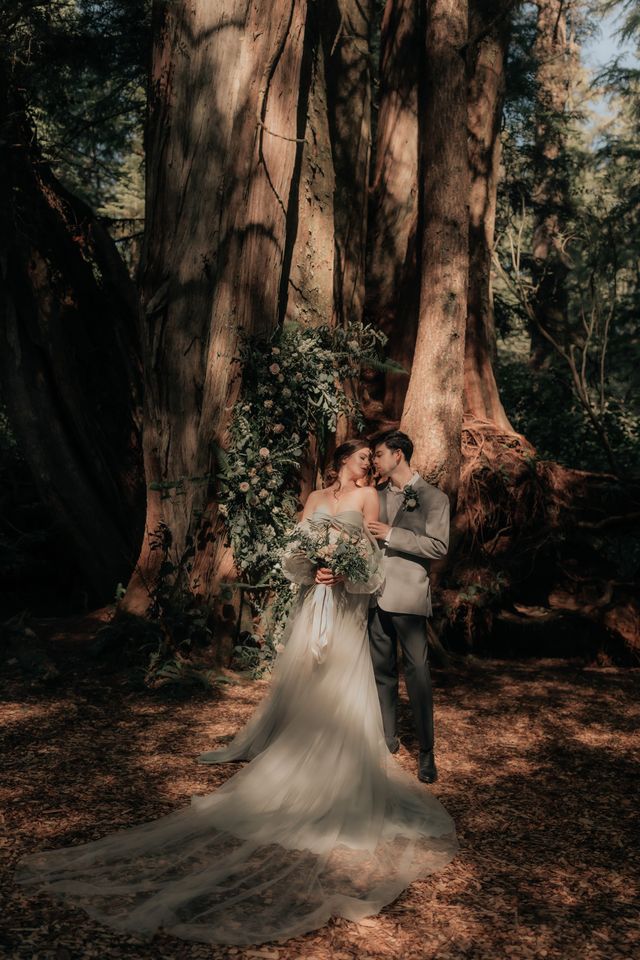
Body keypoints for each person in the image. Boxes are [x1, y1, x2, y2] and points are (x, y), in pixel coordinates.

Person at [15, 439, 457, 946]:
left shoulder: (371, 500)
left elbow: (371, 562)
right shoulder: (314, 499)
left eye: (371, 459)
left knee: (348, 679)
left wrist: (344, 574)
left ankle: (352, 763)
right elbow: (293, 554)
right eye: (361, 459)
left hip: (348, 605)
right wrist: (312, 568)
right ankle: (298, 751)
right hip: (313, 600)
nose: (368, 467)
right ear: (340, 462)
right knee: (310, 684)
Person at [367, 430, 450, 785]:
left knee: (418, 674)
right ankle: (388, 739)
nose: (374, 460)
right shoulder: (375, 494)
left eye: (379, 454)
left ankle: (426, 753)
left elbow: (438, 547)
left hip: (410, 599)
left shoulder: (434, 497)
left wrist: (391, 534)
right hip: (373, 595)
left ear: (398, 455)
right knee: (381, 672)